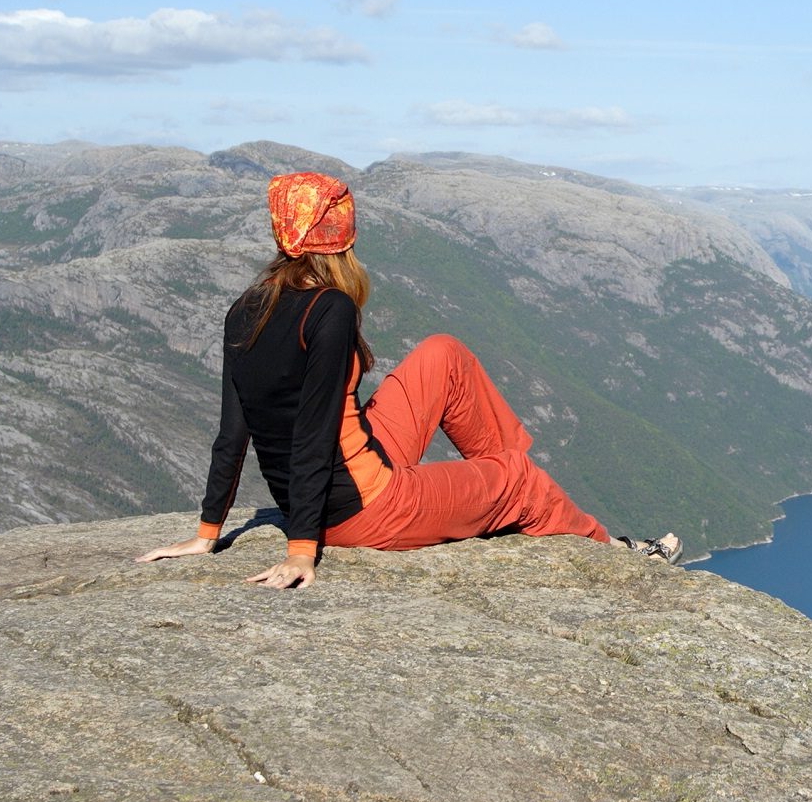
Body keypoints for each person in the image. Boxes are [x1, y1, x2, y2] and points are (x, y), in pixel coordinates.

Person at [138, 170, 680, 588]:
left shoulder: (246, 308)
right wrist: (302, 548)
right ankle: (609, 549)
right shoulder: (329, 309)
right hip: (364, 510)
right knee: (520, 480)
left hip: (346, 478)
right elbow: (312, 432)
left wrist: (208, 534)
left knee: (443, 354)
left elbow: (232, 433)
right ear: (341, 238)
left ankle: (492, 488)